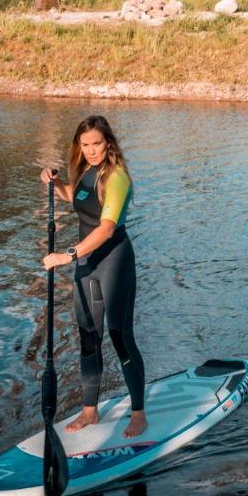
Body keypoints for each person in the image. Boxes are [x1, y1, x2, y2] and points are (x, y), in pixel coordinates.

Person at [41, 115, 147, 438]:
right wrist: (55, 184)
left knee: (119, 335)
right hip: (86, 267)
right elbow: (77, 197)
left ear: (108, 142)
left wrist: (68, 254)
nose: (91, 151)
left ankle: (138, 412)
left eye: (96, 144)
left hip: (113, 262)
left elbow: (106, 227)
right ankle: (90, 411)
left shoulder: (116, 177)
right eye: (85, 145)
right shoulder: (86, 171)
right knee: (88, 335)